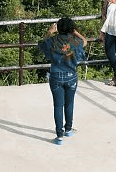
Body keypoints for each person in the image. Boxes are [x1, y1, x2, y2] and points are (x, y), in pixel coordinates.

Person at [38, 17, 88, 145]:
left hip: (55, 76)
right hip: (71, 76)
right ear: (71, 29)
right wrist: (75, 32)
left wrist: (50, 31)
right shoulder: (75, 42)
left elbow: (43, 42)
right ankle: (68, 130)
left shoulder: (52, 41)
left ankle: (59, 137)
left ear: (58, 29)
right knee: (69, 103)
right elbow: (84, 41)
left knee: (58, 105)